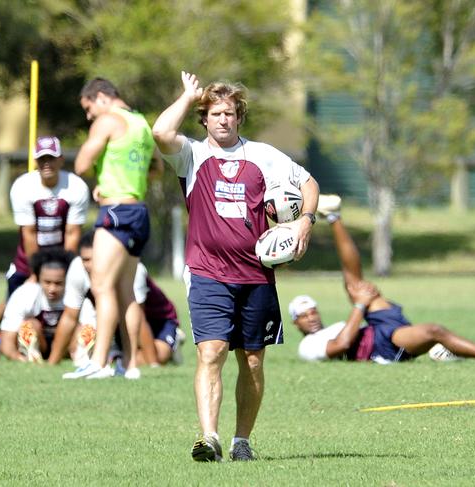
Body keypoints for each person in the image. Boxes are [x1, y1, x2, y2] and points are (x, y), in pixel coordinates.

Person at [152, 71, 320, 461]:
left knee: (253, 360)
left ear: (239, 117)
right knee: (211, 352)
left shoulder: (264, 156)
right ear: (204, 119)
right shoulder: (192, 156)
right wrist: (187, 96)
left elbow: (308, 183)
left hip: (256, 275)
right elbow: (160, 133)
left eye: (229, 113)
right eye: (214, 114)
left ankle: (241, 441)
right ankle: (209, 438)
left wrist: (305, 222)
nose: (223, 120)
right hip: (208, 272)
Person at [289, 195, 475, 365]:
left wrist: (361, 301)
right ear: (295, 324)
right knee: (434, 330)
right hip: (381, 346)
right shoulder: (307, 347)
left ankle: (334, 216)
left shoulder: (331, 327)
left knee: (356, 286)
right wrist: (360, 305)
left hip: (377, 327)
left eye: (312, 311)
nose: (310, 317)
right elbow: (341, 346)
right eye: (303, 315)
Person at [63, 78, 161, 380]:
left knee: (102, 286)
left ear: (102, 98)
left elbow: (81, 164)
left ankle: (99, 361)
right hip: (139, 210)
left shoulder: (108, 120)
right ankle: (130, 366)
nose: (89, 116)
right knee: (126, 291)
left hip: (116, 212)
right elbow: (155, 167)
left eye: (89, 108)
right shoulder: (141, 123)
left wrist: (105, 184)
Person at [0, 135, 90, 339]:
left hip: (62, 257)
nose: (47, 164)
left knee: (77, 301)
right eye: (42, 159)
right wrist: (35, 273)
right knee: (12, 301)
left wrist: (64, 269)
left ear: (60, 159)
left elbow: (72, 233)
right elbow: (29, 233)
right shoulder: (23, 186)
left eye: (51, 158)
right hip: (29, 258)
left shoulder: (76, 187)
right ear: (36, 161)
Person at [49, 231, 184, 369]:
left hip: (156, 320)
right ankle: (114, 355)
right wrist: (52, 363)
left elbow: (139, 319)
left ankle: (173, 342)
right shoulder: (77, 269)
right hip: (121, 320)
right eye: (85, 259)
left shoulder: (132, 269)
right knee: (79, 344)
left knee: (159, 355)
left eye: (94, 259)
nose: (89, 265)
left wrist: (153, 364)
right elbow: (70, 317)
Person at [0, 248, 94, 363]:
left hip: (67, 346)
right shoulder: (24, 294)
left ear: (68, 280)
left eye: (58, 283)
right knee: (29, 325)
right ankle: (32, 353)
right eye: (47, 282)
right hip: (41, 341)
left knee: (86, 329)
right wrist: (18, 358)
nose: (52, 289)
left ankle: (81, 355)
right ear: (38, 279)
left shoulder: (79, 295)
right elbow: (6, 340)